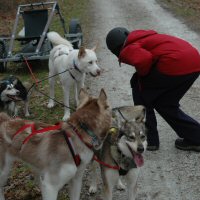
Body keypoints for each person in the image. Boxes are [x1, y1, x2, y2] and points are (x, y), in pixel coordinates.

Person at [106, 27, 200, 151]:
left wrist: (142, 75)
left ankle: (150, 140)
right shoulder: (143, 38)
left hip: (174, 64)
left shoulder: (127, 48)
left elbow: (143, 59)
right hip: (194, 63)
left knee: (139, 89)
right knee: (165, 103)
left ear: (115, 49)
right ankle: (196, 137)